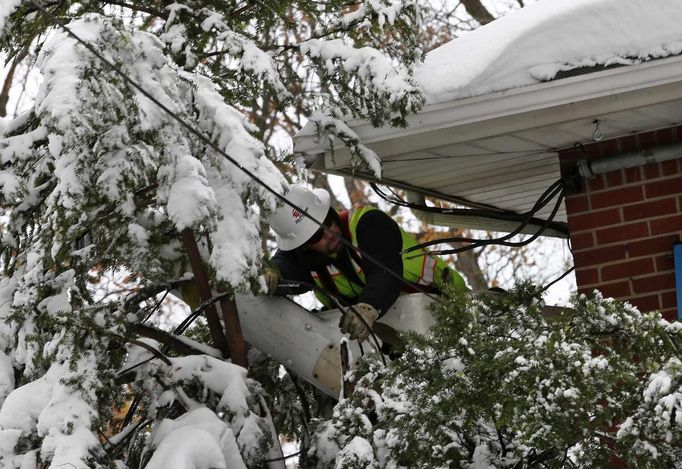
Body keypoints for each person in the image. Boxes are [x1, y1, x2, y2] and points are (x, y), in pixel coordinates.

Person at [266, 185, 468, 342]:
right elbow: (287, 263)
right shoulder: (307, 260)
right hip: (395, 333)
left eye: (326, 222)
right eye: (317, 235)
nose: (328, 234)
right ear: (303, 246)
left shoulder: (368, 223)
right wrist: (273, 273)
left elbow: (384, 270)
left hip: (450, 307)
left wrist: (369, 306)